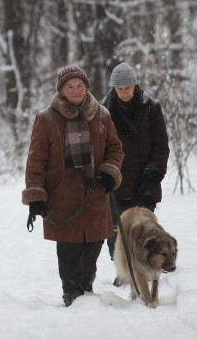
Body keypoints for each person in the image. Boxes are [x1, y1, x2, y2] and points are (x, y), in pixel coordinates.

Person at [23, 65, 124, 307]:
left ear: (87, 87)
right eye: (70, 87)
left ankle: (85, 291)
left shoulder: (102, 115)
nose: (76, 90)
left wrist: (109, 173)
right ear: (61, 90)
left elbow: (115, 149)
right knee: (68, 251)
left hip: (96, 197)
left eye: (80, 86)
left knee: (93, 247)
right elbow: (36, 160)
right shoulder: (46, 119)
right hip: (63, 198)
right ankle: (71, 294)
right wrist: (36, 196)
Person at [101, 61, 170, 259]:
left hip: (144, 182)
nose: (124, 92)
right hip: (116, 184)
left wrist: (153, 174)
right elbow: (99, 148)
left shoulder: (151, 108)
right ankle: (123, 272)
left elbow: (161, 146)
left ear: (135, 85)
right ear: (114, 87)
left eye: (128, 87)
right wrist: (106, 174)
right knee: (117, 235)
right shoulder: (103, 111)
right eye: (120, 88)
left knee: (145, 234)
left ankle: (145, 272)